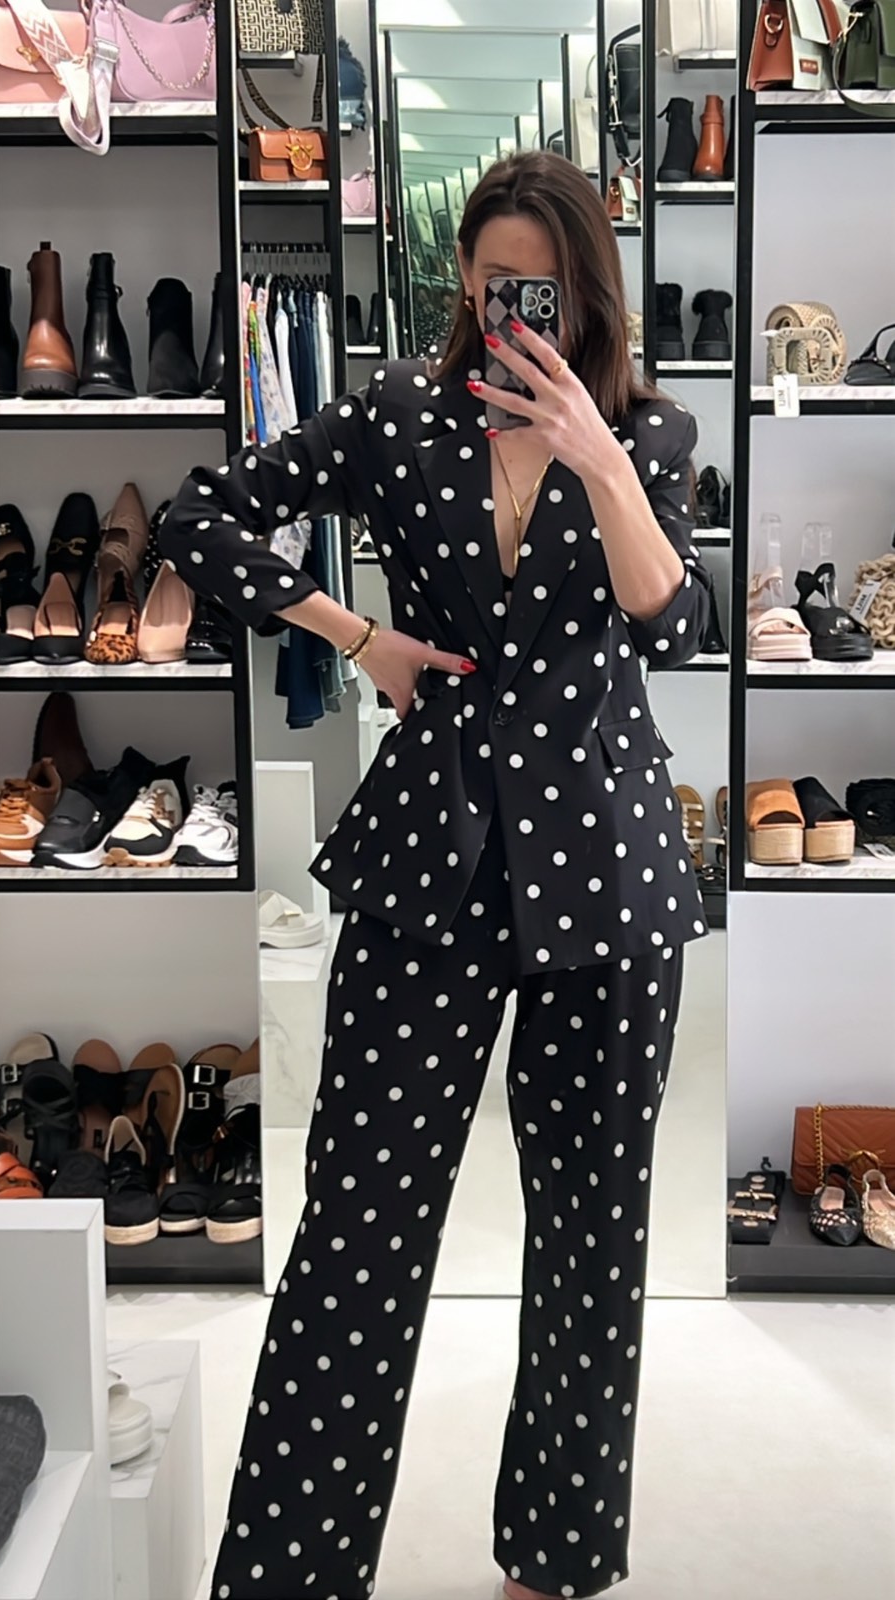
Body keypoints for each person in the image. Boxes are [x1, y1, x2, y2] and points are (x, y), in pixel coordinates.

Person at [162, 150, 710, 1600]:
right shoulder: (398, 416)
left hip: (607, 870)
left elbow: (674, 624)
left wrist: (597, 456)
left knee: (592, 1243)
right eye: (496, 282)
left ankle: (555, 1562)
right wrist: (360, 638)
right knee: (357, 1230)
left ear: (589, 290)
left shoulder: (648, 432)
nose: (521, 309)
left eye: (547, 286)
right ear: (464, 283)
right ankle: (291, 1576)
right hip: (433, 858)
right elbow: (202, 516)